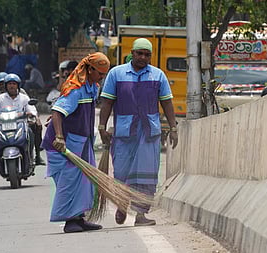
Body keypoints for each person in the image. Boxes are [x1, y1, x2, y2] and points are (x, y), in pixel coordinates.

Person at [98, 38, 178, 226]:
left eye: (147, 54)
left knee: (147, 174)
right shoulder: (116, 74)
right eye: (139, 53)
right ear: (132, 53)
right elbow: (107, 102)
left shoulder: (158, 76)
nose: (143, 57)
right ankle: (122, 204)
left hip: (149, 133)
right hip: (124, 133)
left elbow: (167, 102)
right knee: (122, 173)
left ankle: (141, 215)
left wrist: (173, 128)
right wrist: (102, 127)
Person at [41, 52, 110, 233]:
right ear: (89, 69)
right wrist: (59, 137)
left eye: (104, 74)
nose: (101, 78)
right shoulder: (75, 88)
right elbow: (57, 112)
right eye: (100, 74)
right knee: (69, 181)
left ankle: (79, 218)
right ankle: (69, 221)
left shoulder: (93, 87)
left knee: (85, 181)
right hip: (63, 144)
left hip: (81, 141)